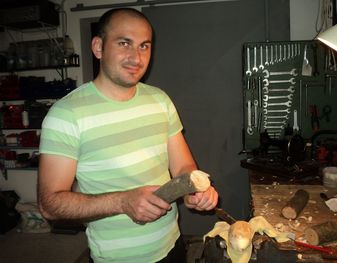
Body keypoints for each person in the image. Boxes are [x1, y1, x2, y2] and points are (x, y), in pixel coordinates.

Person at [37, 8, 218, 263]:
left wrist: (193, 191)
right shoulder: (66, 115)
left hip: (171, 244)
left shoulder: (160, 100)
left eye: (144, 46)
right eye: (124, 43)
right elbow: (50, 204)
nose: (136, 57)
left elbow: (182, 165)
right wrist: (123, 202)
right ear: (98, 47)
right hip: (117, 257)